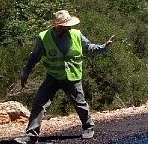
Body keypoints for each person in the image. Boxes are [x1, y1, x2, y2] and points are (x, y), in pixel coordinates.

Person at [14, 10, 114, 144]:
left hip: (72, 76)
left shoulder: (76, 34)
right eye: (67, 25)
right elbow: (34, 57)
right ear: (58, 26)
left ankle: (88, 127)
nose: (70, 27)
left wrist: (104, 47)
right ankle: (31, 135)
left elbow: (88, 47)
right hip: (53, 76)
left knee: (79, 103)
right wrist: (25, 72)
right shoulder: (44, 37)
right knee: (39, 103)